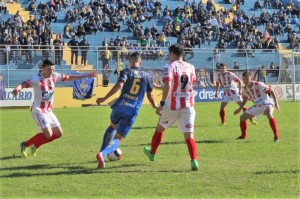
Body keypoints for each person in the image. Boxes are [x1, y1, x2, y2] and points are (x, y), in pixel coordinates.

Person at [13, 59, 96, 158]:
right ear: (42, 69)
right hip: (38, 110)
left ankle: (35, 146)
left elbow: (69, 77)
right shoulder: (36, 79)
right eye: (49, 69)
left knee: (59, 133)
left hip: (48, 111)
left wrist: (85, 75)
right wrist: (18, 88)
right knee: (48, 134)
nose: (51, 71)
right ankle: (25, 144)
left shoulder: (55, 76)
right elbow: (24, 83)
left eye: (52, 69)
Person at [95, 52, 157, 169]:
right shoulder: (147, 76)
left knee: (112, 126)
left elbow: (119, 85)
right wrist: (155, 106)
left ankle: (102, 151)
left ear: (130, 61)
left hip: (119, 106)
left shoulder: (126, 72)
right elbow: (150, 95)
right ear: (141, 61)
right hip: (132, 110)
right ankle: (102, 154)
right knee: (119, 138)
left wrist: (104, 98)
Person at [143, 44, 199, 171]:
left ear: (172, 54)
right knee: (189, 137)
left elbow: (169, 84)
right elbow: (190, 83)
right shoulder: (191, 67)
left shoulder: (169, 66)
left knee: (160, 128)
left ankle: (152, 153)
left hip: (171, 106)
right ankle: (194, 160)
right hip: (188, 105)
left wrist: (162, 102)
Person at [234, 71, 280, 142]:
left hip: (266, 103)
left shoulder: (259, 84)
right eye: (244, 79)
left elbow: (271, 91)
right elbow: (245, 99)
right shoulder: (245, 89)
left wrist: (276, 103)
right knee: (242, 117)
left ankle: (276, 136)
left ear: (251, 78)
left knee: (269, 114)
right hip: (257, 106)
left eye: (247, 79)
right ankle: (243, 136)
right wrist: (240, 108)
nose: (245, 81)